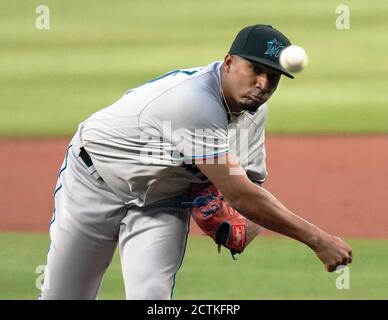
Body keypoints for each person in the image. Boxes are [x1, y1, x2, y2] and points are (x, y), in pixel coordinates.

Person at [41, 24, 352, 300]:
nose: (263, 84)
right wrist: (318, 240)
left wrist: (245, 228)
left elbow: (252, 185)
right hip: (94, 185)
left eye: (273, 77)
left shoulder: (254, 113)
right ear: (229, 63)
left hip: (162, 201)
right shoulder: (194, 101)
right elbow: (240, 194)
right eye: (255, 70)